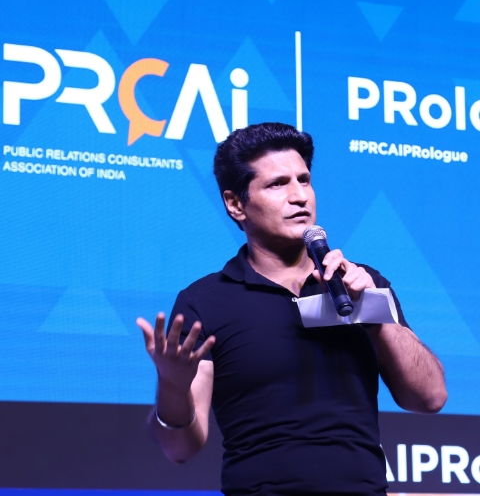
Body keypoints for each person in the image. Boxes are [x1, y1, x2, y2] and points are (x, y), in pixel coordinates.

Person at [137, 122, 447, 496]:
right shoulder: (205, 301)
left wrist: (373, 313)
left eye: (304, 180)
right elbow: (180, 449)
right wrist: (172, 385)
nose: (300, 196)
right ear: (236, 204)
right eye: (277, 184)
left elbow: (430, 397)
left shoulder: (362, 284)